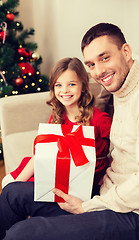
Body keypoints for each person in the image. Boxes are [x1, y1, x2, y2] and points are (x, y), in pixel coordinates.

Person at [0, 23, 139, 240]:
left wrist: (90, 206)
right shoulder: (122, 89)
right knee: (13, 193)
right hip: (108, 197)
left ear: (125, 52)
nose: (98, 72)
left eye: (105, 58)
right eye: (91, 64)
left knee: (22, 234)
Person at [1, 57, 112, 195]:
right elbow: (43, 152)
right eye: (58, 85)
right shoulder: (58, 115)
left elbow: (121, 148)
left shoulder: (99, 119)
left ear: (83, 86)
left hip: (82, 178)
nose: (64, 90)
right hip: (57, 167)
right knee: (9, 182)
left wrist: (107, 174)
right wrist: (17, 182)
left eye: (71, 84)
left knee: (17, 190)